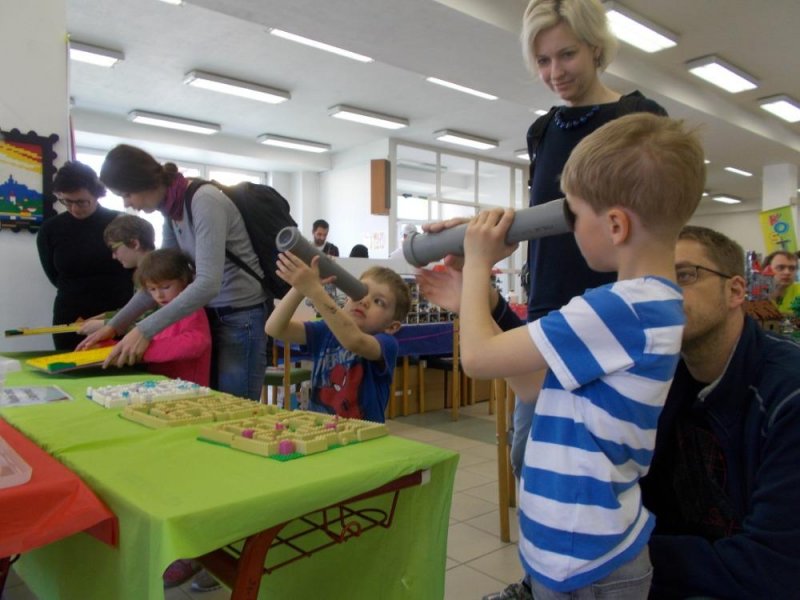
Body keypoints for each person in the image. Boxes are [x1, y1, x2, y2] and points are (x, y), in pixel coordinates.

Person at [419, 0, 667, 490]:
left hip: (606, 312)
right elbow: (553, 214)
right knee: (531, 456)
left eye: (566, 55)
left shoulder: (639, 117)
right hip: (548, 308)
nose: (554, 72)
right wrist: (481, 229)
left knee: (591, 463)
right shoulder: (544, 129)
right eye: (543, 60)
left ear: (597, 48)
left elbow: (633, 222)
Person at [459, 113, 704, 598]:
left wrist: (477, 263)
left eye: (574, 214)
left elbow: (477, 359)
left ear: (614, 224)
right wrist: (467, 296)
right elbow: (535, 386)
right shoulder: (645, 306)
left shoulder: (619, 309)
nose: (569, 228)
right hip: (578, 549)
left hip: (586, 558)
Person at [642, 226, 800, 598]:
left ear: (735, 291)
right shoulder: (663, 374)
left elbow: (774, 567)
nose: (663, 293)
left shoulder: (787, 396)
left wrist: (622, 554)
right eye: (654, 281)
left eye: (684, 275)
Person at [77, 145, 269, 402]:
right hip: (215, 312)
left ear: (141, 183)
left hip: (240, 317)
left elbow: (207, 284)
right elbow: (160, 275)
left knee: (235, 405)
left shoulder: (204, 201)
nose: (126, 204)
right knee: (213, 403)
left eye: (127, 194)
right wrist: (114, 326)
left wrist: (143, 330)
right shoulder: (171, 210)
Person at [265, 253, 410, 423]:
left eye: (379, 302)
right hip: (320, 432)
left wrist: (314, 290)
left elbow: (354, 341)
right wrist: (300, 287)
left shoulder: (386, 343)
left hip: (362, 439)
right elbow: (274, 328)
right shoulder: (326, 330)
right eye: (360, 291)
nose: (364, 301)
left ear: (391, 327)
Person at [36, 161, 133, 350]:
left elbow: (137, 270)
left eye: (81, 201)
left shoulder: (120, 223)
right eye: (67, 201)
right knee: (69, 373)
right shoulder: (50, 229)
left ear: (97, 194)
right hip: (69, 316)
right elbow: (54, 275)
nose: (74, 208)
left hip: (116, 313)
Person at [134, 248, 212, 386]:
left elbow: (197, 343)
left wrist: (146, 351)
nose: (159, 295)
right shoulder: (161, 312)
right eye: (152, 289)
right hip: (165, 386)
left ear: (182, 281)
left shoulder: (192, 310)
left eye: (165, 287)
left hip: (188, 390)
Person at [77, 214, 157, 337]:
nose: (114, 256)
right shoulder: (142, 272)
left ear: (134, 244)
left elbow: (156, 320)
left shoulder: (158, 273)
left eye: (114, 249)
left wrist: (106, 325)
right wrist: (107, 316)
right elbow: (139, 311)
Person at [763, 250, 800, 314]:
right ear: (766, 270)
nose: (787, 272)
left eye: (792, 268)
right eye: (780, 268)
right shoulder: (755, 295)